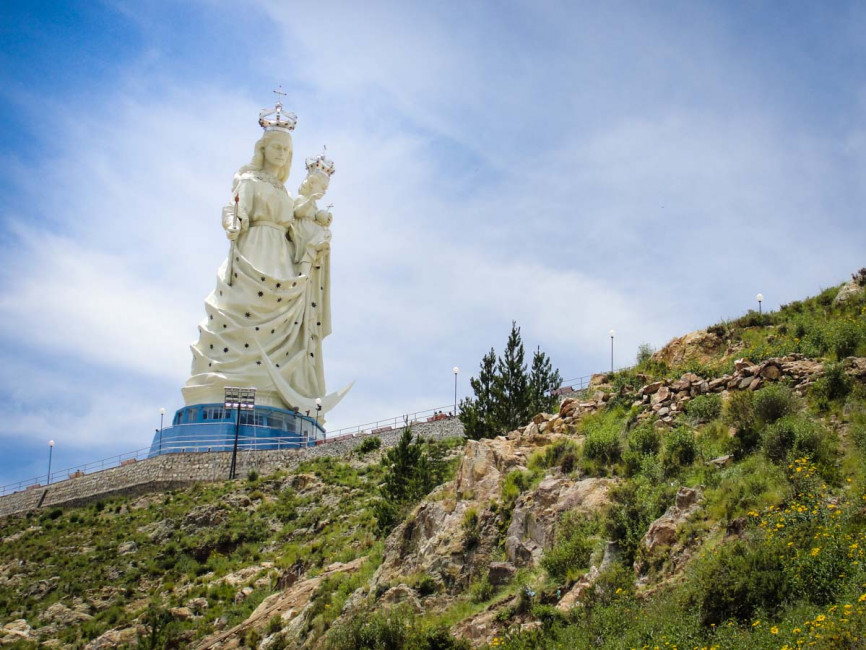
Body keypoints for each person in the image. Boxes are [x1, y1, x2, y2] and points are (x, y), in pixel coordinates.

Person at [182, 104, 332, 413]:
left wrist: (317, 223)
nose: (280, 153)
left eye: (285, 149)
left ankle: (279, 393)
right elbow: (235, 210)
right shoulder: (249, 181)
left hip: (281, 259)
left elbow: (298, 218)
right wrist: (233, 223)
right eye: (275, 147)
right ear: (263, 149)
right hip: (253, 253)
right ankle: (227, 384)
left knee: (281, 326)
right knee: (243, 315)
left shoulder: (285, 192)